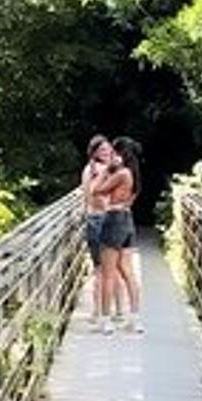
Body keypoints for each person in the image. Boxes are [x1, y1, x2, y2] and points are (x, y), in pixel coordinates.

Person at [91, 136, 144, 335]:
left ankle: (105, 321)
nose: (111, 155)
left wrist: (106, 170)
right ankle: (135, 320)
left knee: (108, 273)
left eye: (114, 152)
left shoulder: (121, 174)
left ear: (121, 154)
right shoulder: (134, 174)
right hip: (127, 220)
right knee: (127, 271)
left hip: (113, 221)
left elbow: (95, 190)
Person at [79, 135, 115, 331]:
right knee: (105, 270)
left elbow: (87, 197)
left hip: (92, 219)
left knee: (99, 269)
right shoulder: (101, 170)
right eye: (102, 150)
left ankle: (97, 312)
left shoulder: (88, 170)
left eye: (109, 149)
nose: (107, 153)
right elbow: (99, 198)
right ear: (94, 153)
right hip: (103, 221)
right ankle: (103, 314)